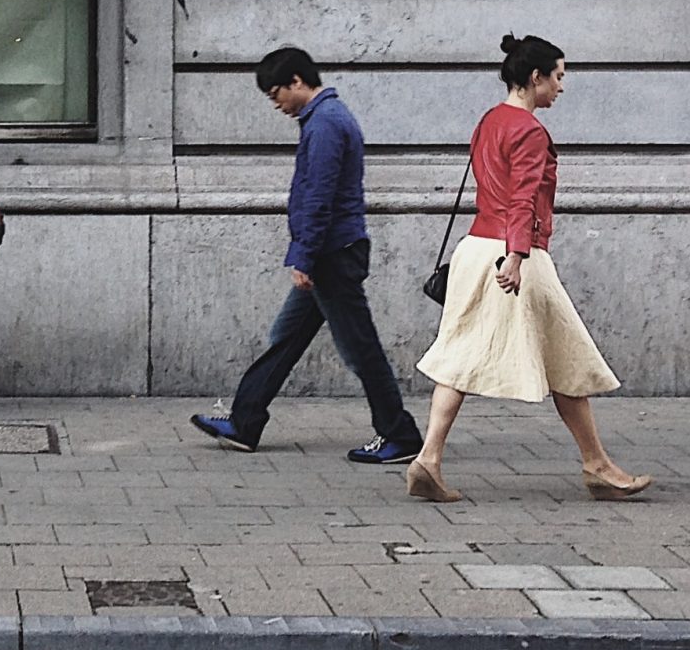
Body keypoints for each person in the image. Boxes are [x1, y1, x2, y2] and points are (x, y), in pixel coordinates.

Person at [406, 35, 652, 504]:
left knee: (459, 357)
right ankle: (597, 464)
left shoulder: (488, 122)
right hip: (514, 254)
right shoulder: (530, 131)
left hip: (474, 248)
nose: (562, 86)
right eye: (558, 76)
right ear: (535, 77)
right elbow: (522, 197)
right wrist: (517, 257)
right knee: (568, 356)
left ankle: (429, 459)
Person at [190, 47, 425, 464]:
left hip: (331, 255)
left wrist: (304, 256)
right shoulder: (322, 119)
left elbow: (319, 196)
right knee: (287, 336)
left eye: (276, 93)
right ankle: (245, 422)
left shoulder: (327, 124)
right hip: (329, 251)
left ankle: (399, 435)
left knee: (359, 348)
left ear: (298, 82)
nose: (275, 103)